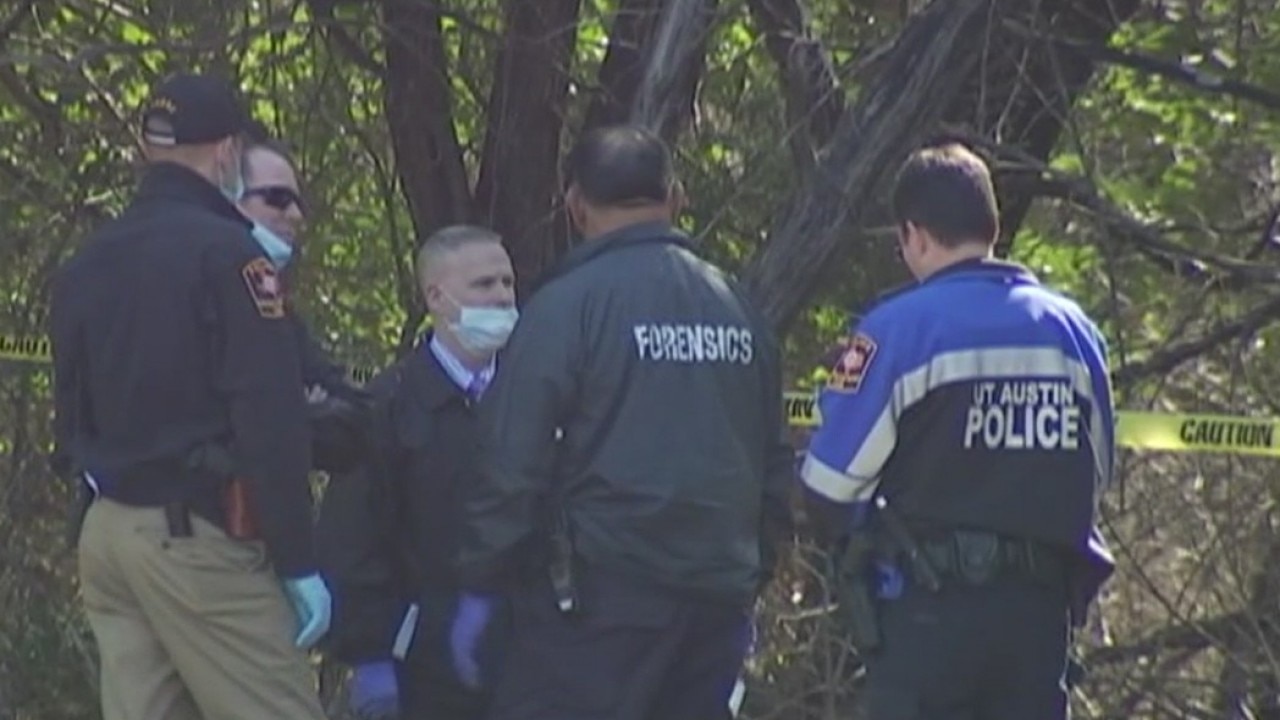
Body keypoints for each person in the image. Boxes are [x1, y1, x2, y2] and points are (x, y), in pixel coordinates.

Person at [452, 125, 795, 720]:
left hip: (599, 606)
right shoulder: (737, 306)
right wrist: (749, 574)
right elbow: (774, 462)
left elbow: (512, 458)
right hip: (715, 603)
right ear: (676, 198)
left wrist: (481, 581)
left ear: (575, 205)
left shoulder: (567, 306)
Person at [799, 141, 1116, 719]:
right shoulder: (1074, 333)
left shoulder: (897, 331)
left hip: (929, 616)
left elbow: (828, 486)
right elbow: (1095, 474)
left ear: (915, 235)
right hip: (1037, 623)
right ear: (991, 224)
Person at [48, 73, 331, 720]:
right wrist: (297, 557)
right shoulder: (230, 256)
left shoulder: (89, 261)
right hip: (196, 537)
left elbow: (70, 411)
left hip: (108, 533)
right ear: (228, 152)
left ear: (149, 149)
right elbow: (269, 414)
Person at [317, 225, 518, 720]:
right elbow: (352, 541)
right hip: (425, 667)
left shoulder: (537, 394)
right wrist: (373, 655)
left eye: (507, 282)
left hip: (529, 662)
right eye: (483, 284)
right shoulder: (387, 407)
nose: (501, 297)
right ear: (437, 297)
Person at [236, 135, 370, 474]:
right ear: (230, 200)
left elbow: (351, 417)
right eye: (277, 199)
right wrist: (300, 408)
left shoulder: (281, 309)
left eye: (298, 203)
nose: (295, 215)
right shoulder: (188, 294)